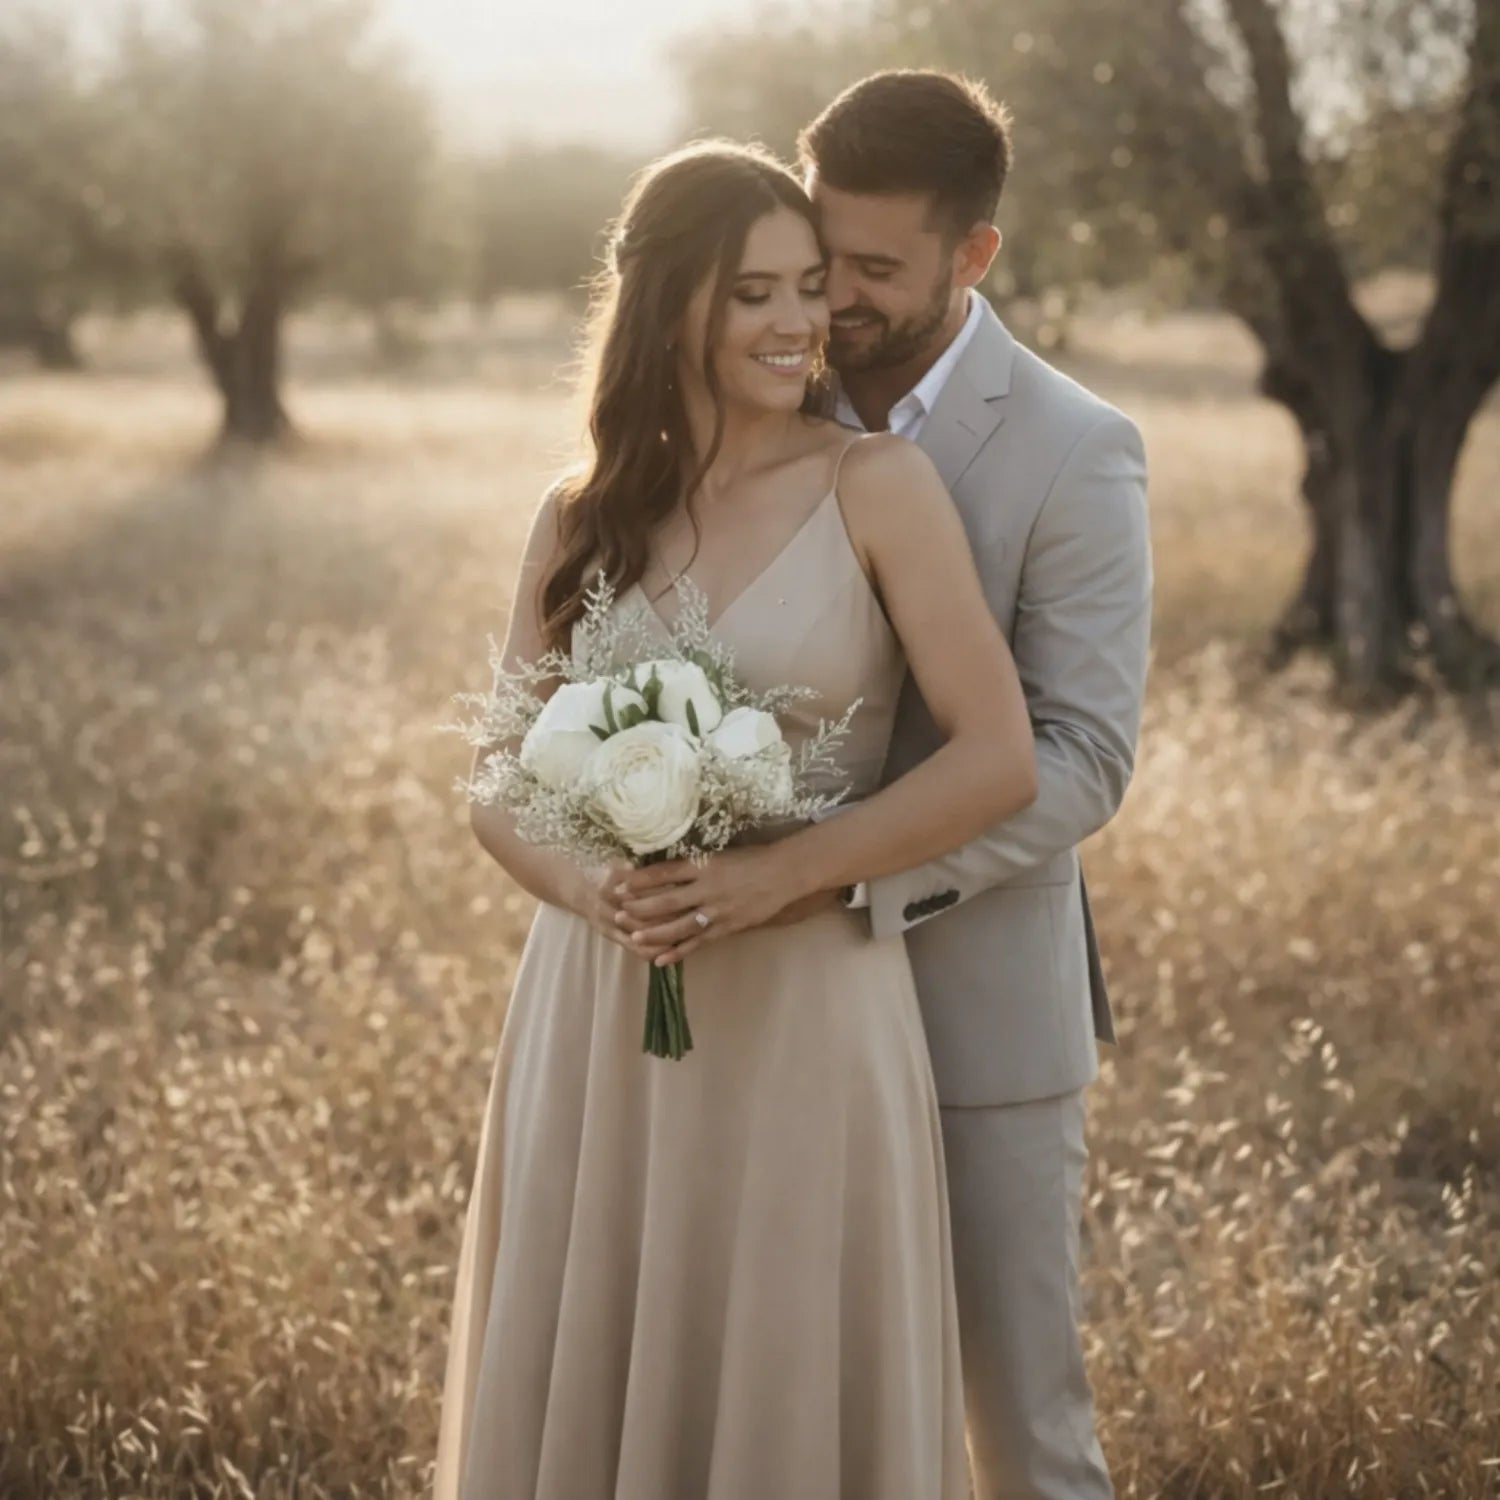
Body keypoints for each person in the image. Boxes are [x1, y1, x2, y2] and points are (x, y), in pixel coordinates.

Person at [433, 137, 1040, 1500]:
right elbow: (495, 775)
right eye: (753, 291)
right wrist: (592, 891)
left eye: (808, 287)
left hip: (807, 1003)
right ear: (671, 307)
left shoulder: (876, 484)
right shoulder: (582, 512)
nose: (797, 321)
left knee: (781, 1365)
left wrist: (787, 876)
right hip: (603, 998)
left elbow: (999, 757)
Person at [622, 72, 1153, 1499]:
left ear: (973, 253)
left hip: (976, 1008)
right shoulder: (754, 385)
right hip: (753, 1010)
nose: (829, 301)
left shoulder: (1075, 449)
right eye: (818, 254)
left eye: (871, 269)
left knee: (1020, 1433)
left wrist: (826, 876)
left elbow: (1084, 755)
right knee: (781, 1413)